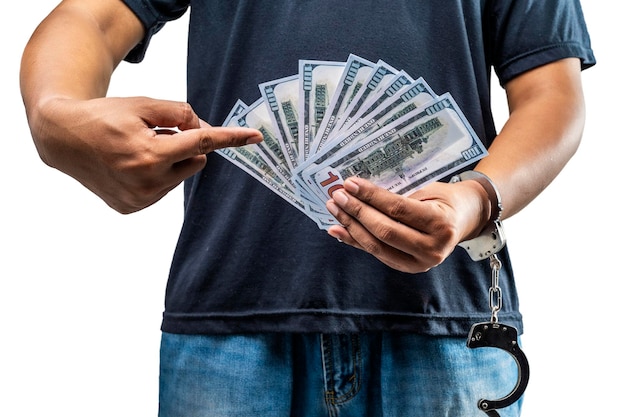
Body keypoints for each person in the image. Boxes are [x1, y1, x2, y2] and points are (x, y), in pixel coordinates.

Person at [20, 1, 595, 416]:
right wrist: (54, 115)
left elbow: (552, 91)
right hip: (230, 324)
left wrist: (478, 196)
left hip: (444, 325)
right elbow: (88, 19)